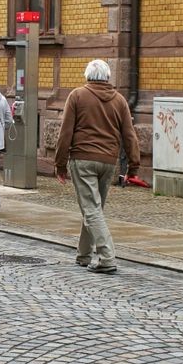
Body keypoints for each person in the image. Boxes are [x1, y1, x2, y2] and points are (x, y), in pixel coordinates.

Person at [53, 59, 141, 275]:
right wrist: (133, 166)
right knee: (94, 208)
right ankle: (83, 255)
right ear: (108, 77)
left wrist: (60, 163)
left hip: (82, 159)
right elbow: (130, 135)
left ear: (87, 76)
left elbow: (66, 133)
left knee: (91, 209)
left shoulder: (77, 96)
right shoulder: (119, 100)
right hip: (108, 162)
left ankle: (107, 257)